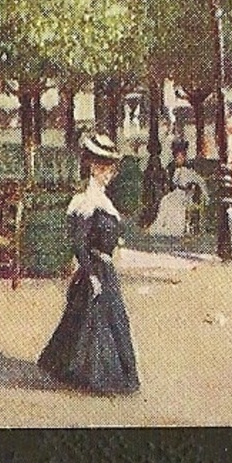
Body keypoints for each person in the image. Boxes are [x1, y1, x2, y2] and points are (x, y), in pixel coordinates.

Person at [37, 132, 140, 395]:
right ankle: (92, 375)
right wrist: (91, 274)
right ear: (93, 168)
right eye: (104, 170)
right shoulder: (85, 202)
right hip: (94, 270)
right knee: (92, 323)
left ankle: (101, 373)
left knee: (111, 321)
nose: (109, 175)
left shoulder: (105, 202)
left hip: (106, 268)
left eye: (111, 171)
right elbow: (79, 243)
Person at [146, 139, 207, 237]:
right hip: (177, 192)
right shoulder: (174, 168)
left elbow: (199, 182)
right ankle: (162, 224)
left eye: (180, 157)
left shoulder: (189, 169)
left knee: (173, 203)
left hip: (185, 195)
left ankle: (175, 228)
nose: (178, 159)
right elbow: (173, 183)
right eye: (177, 158)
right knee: (165, 200)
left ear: (184, 157)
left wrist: (191, 188)